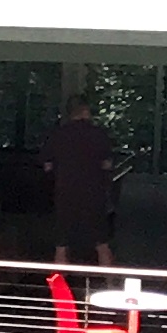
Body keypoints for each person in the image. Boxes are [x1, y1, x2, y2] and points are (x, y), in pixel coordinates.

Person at [49, 93, 119, 266]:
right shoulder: (98, 134)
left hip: (65, 194)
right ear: (85, 110)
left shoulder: (58, 134)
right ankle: (110, 284)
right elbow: (107, 164)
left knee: (61, 245)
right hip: (94, 194)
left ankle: (59, 291)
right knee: (102, 244)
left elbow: (48, 166)